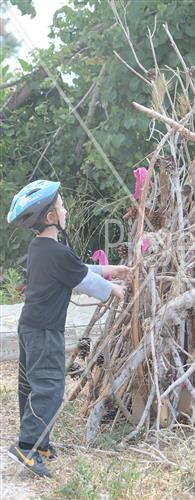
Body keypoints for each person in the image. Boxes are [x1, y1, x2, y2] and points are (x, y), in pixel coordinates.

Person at [6, 180, 131, 478]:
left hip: (31, 327)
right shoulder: (57, 253)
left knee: (30, 386)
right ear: (51, 217)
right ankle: (27, 446)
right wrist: (114, 289)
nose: (66, 209)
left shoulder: (41, 248)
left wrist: (108, 270)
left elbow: (76, 269)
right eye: (62, 206)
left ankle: (41, 443)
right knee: (49, 388)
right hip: (46, 331)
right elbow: (82, 280)